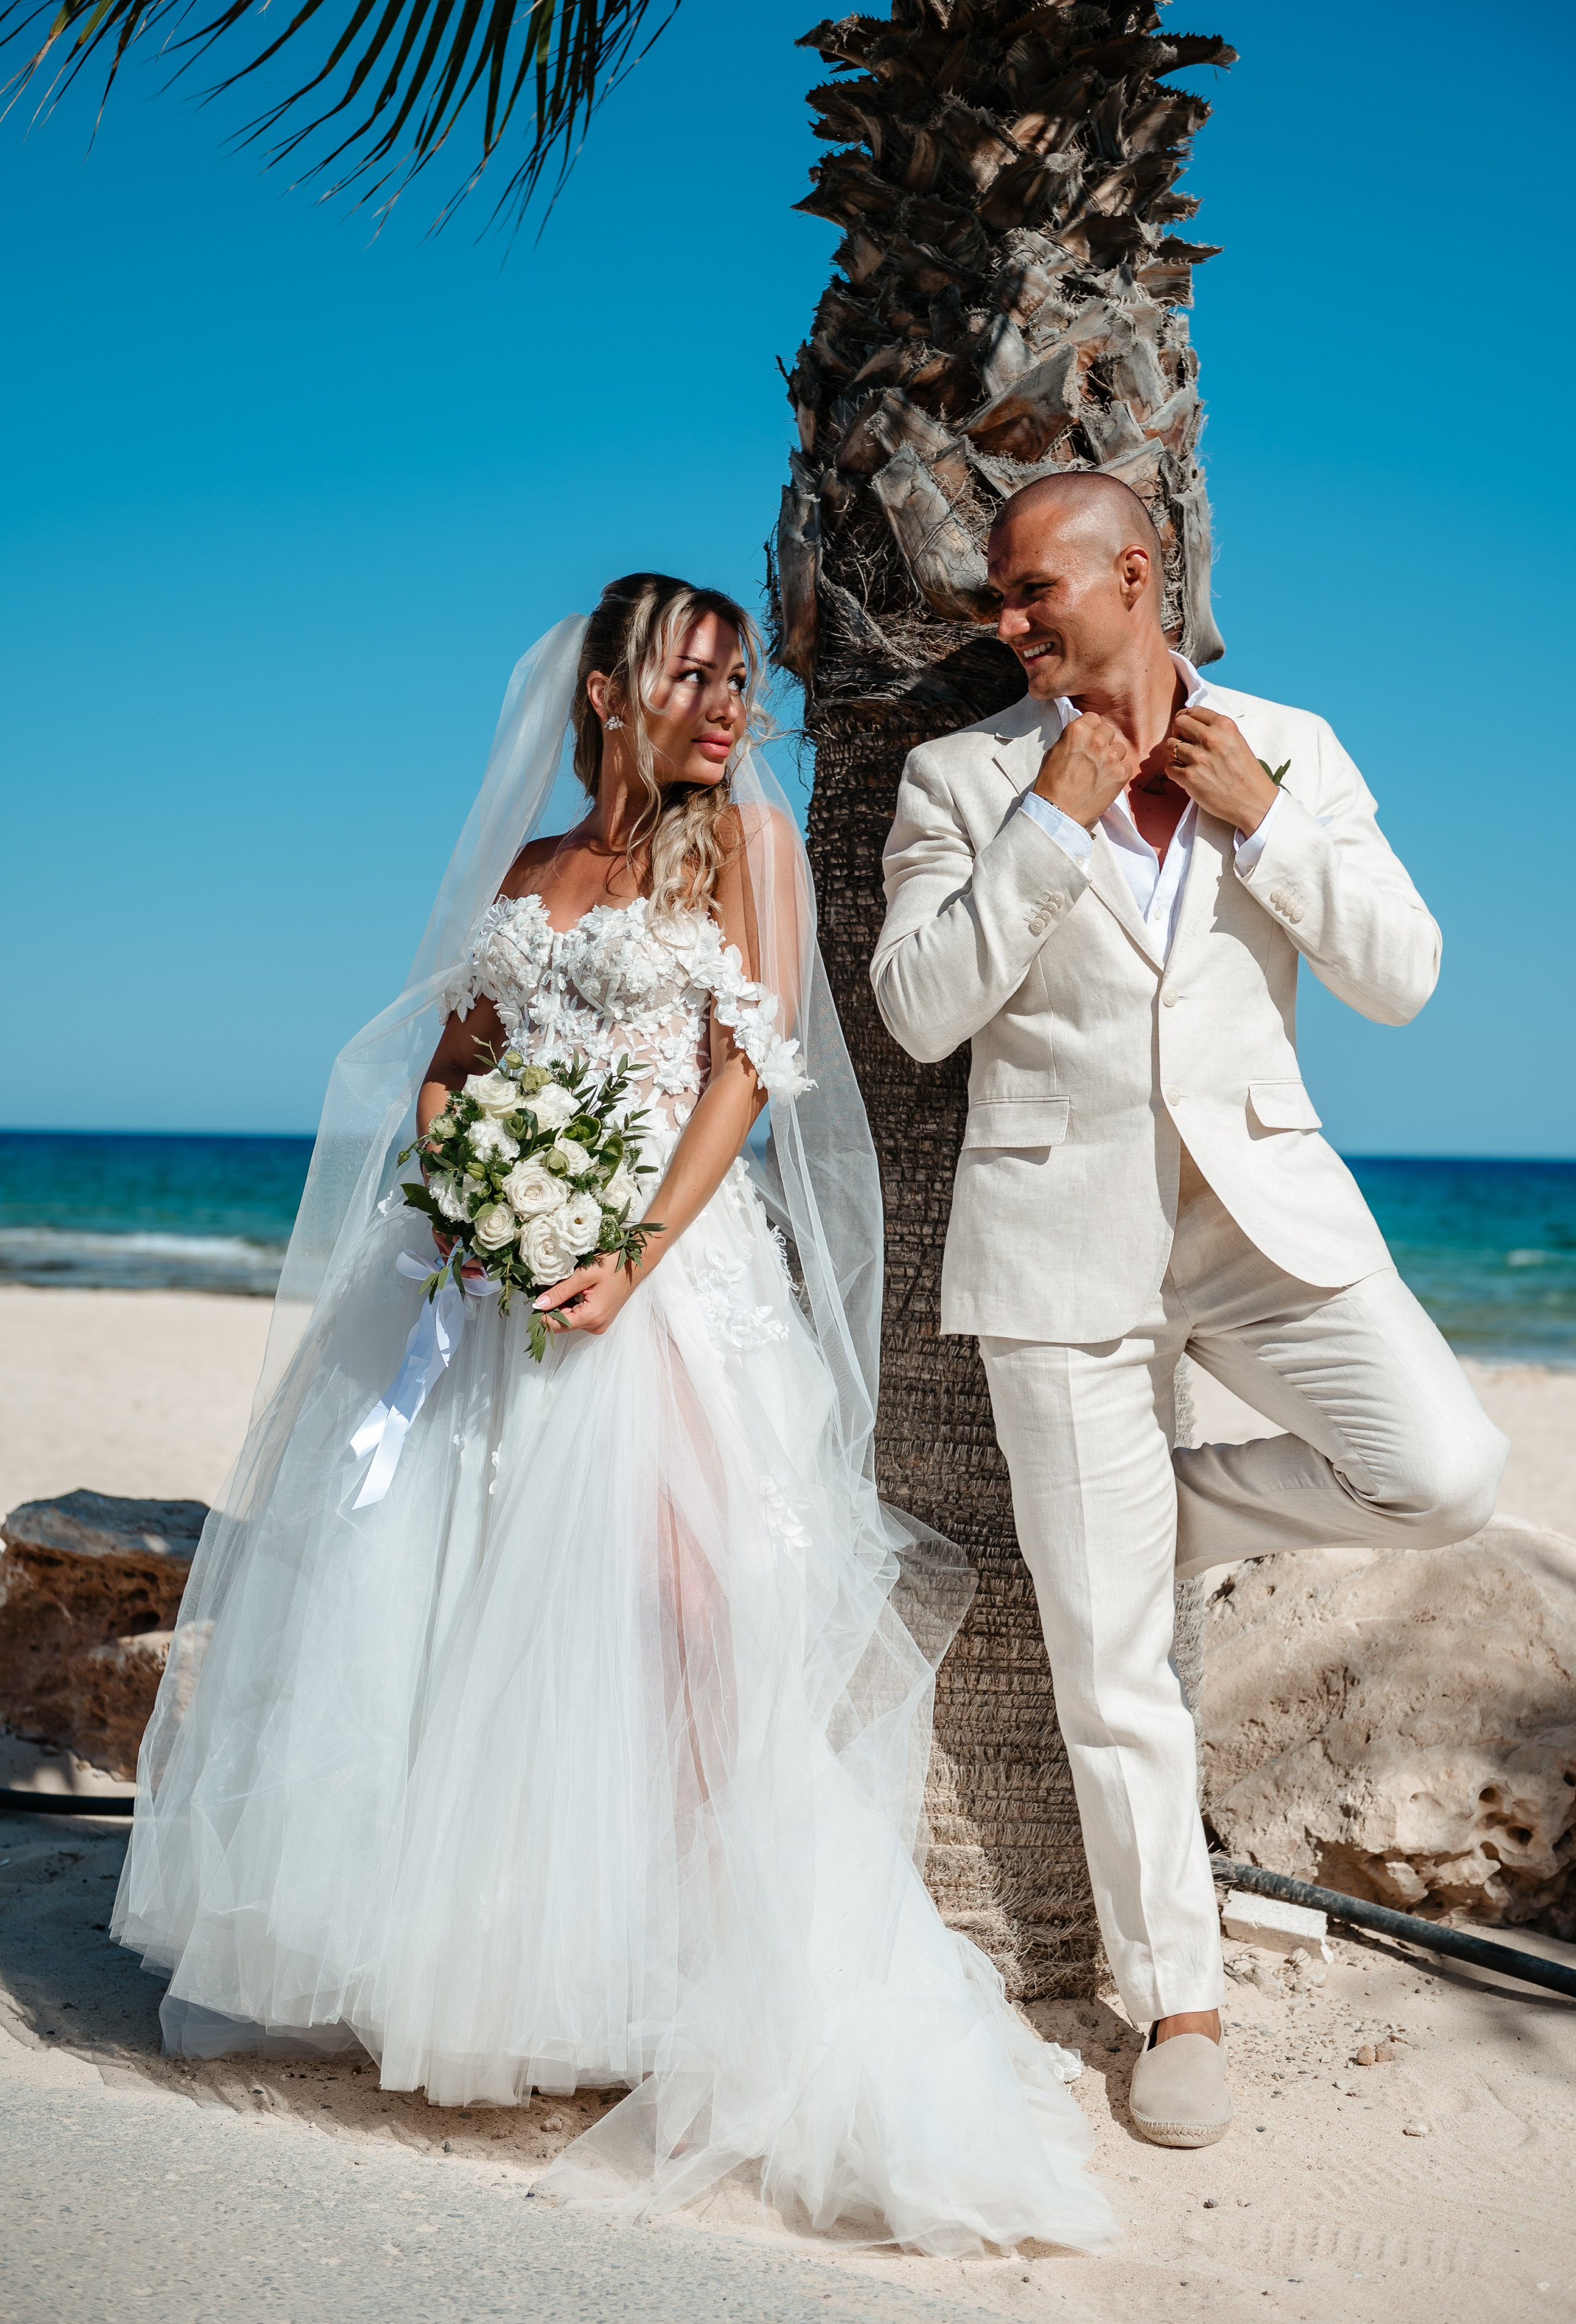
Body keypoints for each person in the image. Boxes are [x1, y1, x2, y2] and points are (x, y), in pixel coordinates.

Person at [113, 573, 1113, 2257]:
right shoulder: (526, 874)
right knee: (453, 1617)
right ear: (603, 693)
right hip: (488, 1293)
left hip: (669, 1298)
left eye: (744, 680)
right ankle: (486, 1972)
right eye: (696, 676)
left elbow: (747, 1072)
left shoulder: (750, 857)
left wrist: (627, 1256)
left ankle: (752, 1995)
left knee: (692, 1624)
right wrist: (469, 1184)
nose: (732, 708)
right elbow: (455, 1055)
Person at [871, 477, 1508, 2150]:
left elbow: (1406, 970)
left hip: (1261, 1217)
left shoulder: (1291, 741)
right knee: (1111, 1667)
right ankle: (1182, 1998)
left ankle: (1174, 1512)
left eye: (1032, 593)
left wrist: (1268, 824)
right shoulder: (962, 776)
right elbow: (921, 1008)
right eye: (1002, 604)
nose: (1011, 624)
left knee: (1446, 1471)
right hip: (1055, 1238)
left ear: (1135, 575)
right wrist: (1048, 822)